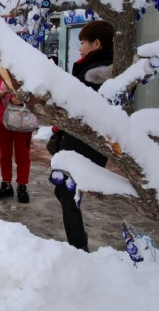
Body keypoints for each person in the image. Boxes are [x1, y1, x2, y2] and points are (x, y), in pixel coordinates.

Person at [52, 20, 114, 252]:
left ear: (96, 44)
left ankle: (78, 247)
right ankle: (78, 244)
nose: (79, 48)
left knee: (67, 192)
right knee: (65, 191)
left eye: (82, 43)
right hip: (79, 140)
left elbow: (77, 105)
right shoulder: (93, 66)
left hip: (86, 142)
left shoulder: (97, 72)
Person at [0, 75, 31, 203]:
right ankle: (6, 184)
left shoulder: (28, 71)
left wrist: (23, 99)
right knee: (4, 154)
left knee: (23, 154)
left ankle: (22, 185)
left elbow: (38, 93)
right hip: (2, 119)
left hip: (23, 119)